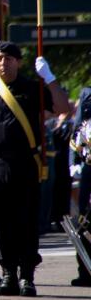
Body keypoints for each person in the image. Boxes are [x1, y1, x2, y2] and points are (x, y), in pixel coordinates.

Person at [0, 41, 70, 297]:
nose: (3, 62)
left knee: (26, 221)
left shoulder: (33, 88)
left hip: (25, 162)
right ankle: (8, 274)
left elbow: (62, 109)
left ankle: (27, 276)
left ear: (18, 62)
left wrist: (49, 78)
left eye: (8, 58)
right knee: (2, 222)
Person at [69, 86, 91, 286]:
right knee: (85, 220)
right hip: (90, 166)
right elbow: (77, 130)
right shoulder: (87, 94)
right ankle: (85, 269)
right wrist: (73, 161)